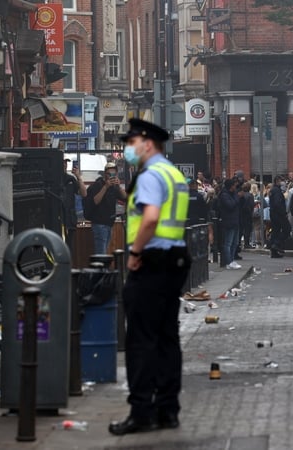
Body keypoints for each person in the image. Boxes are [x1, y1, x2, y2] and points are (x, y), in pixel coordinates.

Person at [109, 118, 191, 435]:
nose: (128, 149)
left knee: (141, 340)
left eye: (131, 143)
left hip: (152, 262)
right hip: (176, 259)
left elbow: (150, 218)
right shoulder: (173, 172)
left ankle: (141, 411)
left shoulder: (151, 175)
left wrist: (134, 253)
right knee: (168, 337)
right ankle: (168, 410)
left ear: (147, 143)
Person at [87, 162, 128, 254]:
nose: (111, 177)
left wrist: (119, 186)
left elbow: (125, 197)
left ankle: (102, 268)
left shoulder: (114, 187)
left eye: (113, 174)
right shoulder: (98, 185)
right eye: (109, 174)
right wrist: (106, 186)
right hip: (99, 224)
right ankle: (101, 268)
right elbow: (95, 201)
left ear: (116, 174)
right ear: (105, 174)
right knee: (101, 253)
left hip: (109, 224)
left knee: (104, 251)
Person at [62, 158, 86, 254]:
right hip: (58, 219)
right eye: (62, 162)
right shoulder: (53, 178)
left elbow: (84, 194)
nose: (64, 165)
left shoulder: (70, 179)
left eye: (65, 163)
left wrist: (78, 177)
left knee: (69, 248)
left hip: (70, 220)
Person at [218, 178, 242, 269]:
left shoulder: (232, 194)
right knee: (228, 243)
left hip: (235, 221)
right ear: (230, 186)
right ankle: (228, 261)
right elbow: (230, 205)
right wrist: (237, 197)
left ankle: (231, 260)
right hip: (229, 221)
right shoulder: (224, 195)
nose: (235, 187)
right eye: (234, 186)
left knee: (235, 242)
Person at [269, 175, 290, 258]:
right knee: (287, 229)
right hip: (279, 214)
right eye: (282, 181)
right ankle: (276, 244)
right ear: (277, 181)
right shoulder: (277, 191)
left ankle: (274, 252)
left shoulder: (273, 190)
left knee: (275, 231)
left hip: (273, 214)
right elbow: (278, 203)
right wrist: (283, 213)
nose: (283, 183)